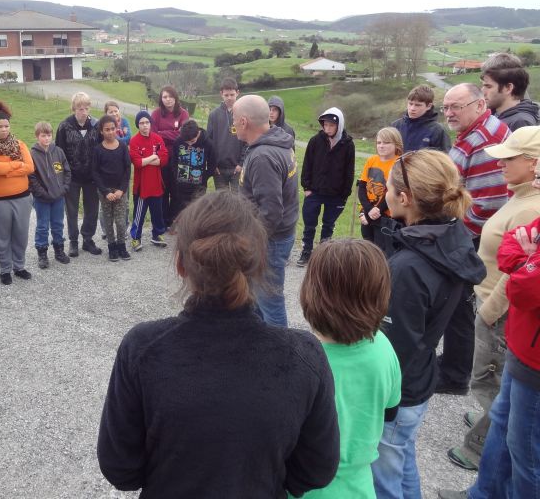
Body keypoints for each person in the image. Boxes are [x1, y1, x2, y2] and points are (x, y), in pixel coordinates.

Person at [97, 191, 340, 498]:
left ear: (181, 264)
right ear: (258, 263)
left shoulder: (142, 348)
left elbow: (120, 468)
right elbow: (315, 471)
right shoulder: (304, 357)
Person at [370, 149, 486, 499]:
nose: (386, 194)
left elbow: (394, 346)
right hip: (420, 380)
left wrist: (380, 400)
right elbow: (463, 322)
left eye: (389, 188)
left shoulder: (408, 268)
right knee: (402, 459)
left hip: (399, 393)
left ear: (404, 198)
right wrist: (452, 372)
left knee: (384, 477)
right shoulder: (453, 236)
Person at [439, 162, 540, 499]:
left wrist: (523, 263)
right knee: (503, 420)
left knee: (527, 456)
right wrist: (522, 260)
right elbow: (509, 248)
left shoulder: (531, 205)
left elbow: (523, 288)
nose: (500, 165)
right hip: (523, 346)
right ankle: (483, 492)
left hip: (533, 357)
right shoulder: (526, 205)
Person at [300, 239, 401, 499]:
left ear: (311, 292)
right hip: (359, 486)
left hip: (305, 488)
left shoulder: (301, 361)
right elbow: (390, 411)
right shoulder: (383, 346)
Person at [437, 83, 509, 396]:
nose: (449, 113)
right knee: (459, 306)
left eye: (456, 106)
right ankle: (456, 362)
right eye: (446, 107)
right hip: (469, 235)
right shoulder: (478, 131)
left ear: (479, 105)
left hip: (470, 239)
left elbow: (487, 205)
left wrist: (454, 237)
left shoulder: (482, 141)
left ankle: (454, 375)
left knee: (459, 307)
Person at [234, 94, 298, 327]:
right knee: (259, 298)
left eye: (234, 119)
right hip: (277, 236)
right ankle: (261, 341)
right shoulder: (277, 142)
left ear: (243, 122)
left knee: (270, 301)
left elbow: (271, 212)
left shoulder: (263, 156)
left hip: (268, 241)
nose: (233, 125)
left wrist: (252, 241)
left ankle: (279, 352)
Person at [0, 101, 35, 285]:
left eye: (6, 126)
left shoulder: (19, 144)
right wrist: (16, 165)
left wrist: (6, 170)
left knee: (21, 234)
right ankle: (5, 269)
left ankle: (19, 266)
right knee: (1, 236)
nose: (4, 129)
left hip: (23, 198)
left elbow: (30, 167)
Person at [297, 107, 355, 267]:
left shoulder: (348, 144)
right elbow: (307, 164)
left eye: (331, 125)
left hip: (336, 194)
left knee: (328, 225)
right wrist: (307, 187)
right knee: (309, 224)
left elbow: (349, 171)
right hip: (314, 191)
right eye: (325, 125)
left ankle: (323, 254)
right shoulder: (315, 141)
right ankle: (306, 251)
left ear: (339, 125)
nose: (327, 128)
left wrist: (344, 194)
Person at [55, 92, 102, 257]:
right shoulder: (64, 126)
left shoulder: (97, 125)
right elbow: (57, 155)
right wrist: (60, 176)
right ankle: (73, 241)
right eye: (80, 108)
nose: (83, 111)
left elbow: (101, 150)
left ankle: (88, 240)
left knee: (92, 210)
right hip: (71, 178)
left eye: (86, 108)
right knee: (72, 210)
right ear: (74, 108)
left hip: (91, 177)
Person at [28, 121, 71, 269]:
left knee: (58, 224)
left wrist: (64, 188)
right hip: (42, 199)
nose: (46, 139)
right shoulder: (32, 154)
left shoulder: (58, 151)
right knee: (42, 226)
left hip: (58, 197)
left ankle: (59, 250)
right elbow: (31, 178)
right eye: (43, 136)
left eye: (49, 135)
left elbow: (66, 171)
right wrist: (42, 193)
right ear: (37, 136)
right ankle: (42, 253)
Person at [92, 115, 131, 262]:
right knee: (108, 221)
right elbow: (95, 172)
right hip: (105, 192)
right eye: (107, 129)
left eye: (113, 129)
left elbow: (128, 169)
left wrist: (121, 189)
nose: (110, 132)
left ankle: (121, 245)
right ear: (101, 131)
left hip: (121, 191)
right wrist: (105, 191)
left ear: (117, 129)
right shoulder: (97, 150)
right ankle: (112, 246)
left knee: (121, 221)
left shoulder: (122, 147)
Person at [129, 110, 169, 251]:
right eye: (141, 123)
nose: (145, 125)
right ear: (137, 125)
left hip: (156, 185)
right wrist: (153, 157)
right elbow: (137, 162)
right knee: (139, 215)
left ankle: (157, 235)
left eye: (147, 122)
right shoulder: (134, 141)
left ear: (151, 124)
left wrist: (147, 159)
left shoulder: (157, 139)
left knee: (157, 213)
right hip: (142, 187)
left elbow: (164, 159)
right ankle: (135, 237)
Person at [357, 127, 403, 249]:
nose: (381, 146)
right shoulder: (372, 160)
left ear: (396, 144)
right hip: (367, 213)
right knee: (367, 248)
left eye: (386, 143)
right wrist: (366, 211)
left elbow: (394, 192)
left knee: (382, 250)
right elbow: (362, 187)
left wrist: (376, 211)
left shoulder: (399, 163)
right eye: (379, 142)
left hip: (385, 216)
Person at [151, 85, 189, 225]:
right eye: (165, 97)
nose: (168, 100)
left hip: (179, 157)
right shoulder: (155, 114)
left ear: (175, 97)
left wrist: (162, 133)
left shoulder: (183, 113)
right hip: (161, 157)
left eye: (170, 96)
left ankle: (175, 218)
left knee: (177, 189)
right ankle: (164, 219)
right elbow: (153, 135)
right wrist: (173, 133)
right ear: (161, 99)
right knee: (163, 188)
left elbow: (184, 134)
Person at [481, 52, 539, 131]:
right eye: (483, 85)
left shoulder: (520, 124)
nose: (482, 91)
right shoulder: (493, 113)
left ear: (508, 88)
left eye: (488, 86)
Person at [206, 77, 243, 191]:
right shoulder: (214, 115)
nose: (229, 98)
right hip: (219, 169)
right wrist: (213, 164)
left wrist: (241, 163)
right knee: (222, 203)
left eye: (232, 94)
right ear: (221, 94)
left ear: (237, 93)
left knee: (239, 201)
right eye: (226, 95)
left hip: (237, 168)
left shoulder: (244, 114)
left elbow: (248, 141)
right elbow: (209, 142)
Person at [391, 84, 451, 152]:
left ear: (429, 106)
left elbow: (445, 159)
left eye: (418, 105)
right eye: (410, 104)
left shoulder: (438, 131)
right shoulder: (395, 126)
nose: (412, 108)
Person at [173, 119, 212, 213]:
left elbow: (212, 163)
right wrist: (176, 175)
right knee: (181, 212)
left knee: (197, 212)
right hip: (181, 185)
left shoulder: (208, 143)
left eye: (192, 141)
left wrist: (204, 177)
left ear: (198, 133)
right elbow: (174, 161)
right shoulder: (178, 141)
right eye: (187, 142)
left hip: (199, 186)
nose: (189, 144)